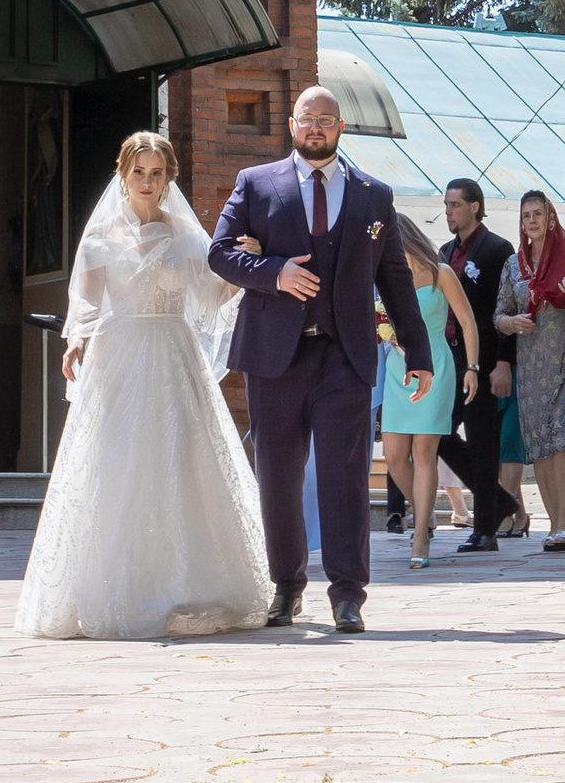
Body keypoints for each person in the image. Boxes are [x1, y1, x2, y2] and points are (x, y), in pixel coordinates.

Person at [15, 129, 270, 641]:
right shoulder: (100, 236)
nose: (148, 182)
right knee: (118, 463)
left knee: (181, 461)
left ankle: (186, 583)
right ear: (123, 174)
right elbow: (84, 303)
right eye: (139, 172)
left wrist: (248, 262)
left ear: (169, 177)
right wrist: (75, 341)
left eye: (157, 173)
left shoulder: (186, 235)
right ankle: (110, 587)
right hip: (120, 354)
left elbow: (210, 294)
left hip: (174, 353)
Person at [209, 84, 433, 635]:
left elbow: (396, 279)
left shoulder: (373, 195)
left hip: (346, 355)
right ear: (291, 124)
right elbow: (220, 253)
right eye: (307, 118)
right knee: (279, 475)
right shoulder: (256, 185)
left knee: (345, 475)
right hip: (274, 356)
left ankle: (348, 594)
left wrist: (418, 353)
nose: (316, 128)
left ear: (340, 127)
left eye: (327, 120)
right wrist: (274, 272)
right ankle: (286, 588)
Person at [499, 188, 565, 550]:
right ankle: (553, 524)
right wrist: (512, 324)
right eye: (526, 216)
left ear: (551, 217)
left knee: (564, 437)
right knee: (540, 441)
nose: (532, 221)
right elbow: (499, 314)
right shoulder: (514, 265)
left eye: (538, 214)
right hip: (530, 368)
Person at [379, 218, 479, 567]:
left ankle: (419, 535)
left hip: (435, 363)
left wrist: (473, 367)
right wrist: (384, 334)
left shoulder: (440, 273)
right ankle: (425, 512)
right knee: (393, 456)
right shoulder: (385, 276)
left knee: (423, 451)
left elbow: (467, 321)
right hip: (396, 370)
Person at [439, 179, 517, 551]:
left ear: (475, 206)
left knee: (482, 439)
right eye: (446, 204)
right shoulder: (442, 251)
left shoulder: (498, 250)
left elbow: (507, 308)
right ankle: (498, 499)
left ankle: (485, 527)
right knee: (439, 431)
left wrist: (503, 361)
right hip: (449, 355)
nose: (449, 212)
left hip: (484, 357)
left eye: (455, 204)